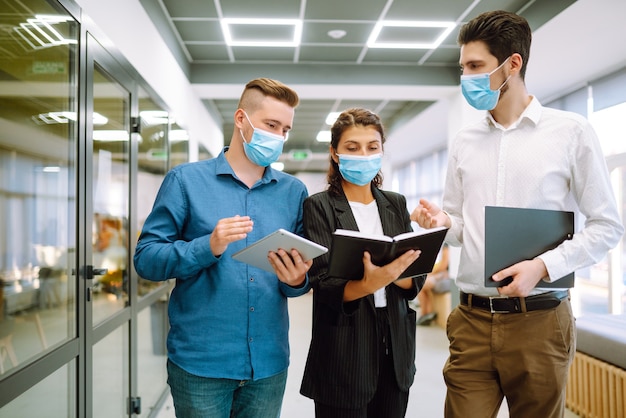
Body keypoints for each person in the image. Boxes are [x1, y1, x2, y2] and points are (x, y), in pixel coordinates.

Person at [411, 10, 624, 418]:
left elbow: (606, 226)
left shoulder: (571, 132)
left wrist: (542, 266)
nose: (466, 78)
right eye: (463, 68)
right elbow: (458, 226)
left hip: (541, 323)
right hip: (471, 319)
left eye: (476, 67)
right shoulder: (464, 142)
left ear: (513, 64)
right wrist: (442, 223)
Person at [134, 78, 313, 418]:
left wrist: (296, 280)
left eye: (285, 129)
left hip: (268, 366)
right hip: (201, 366)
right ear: (241, 119)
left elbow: (300, 278)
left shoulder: (293, 192)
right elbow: (146, 259)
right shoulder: (185, 181)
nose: (278, 136)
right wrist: (208, 246)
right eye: (270, 125)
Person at [300, 108, 424, 418]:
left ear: (382, 150)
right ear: (335, 153)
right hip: (344, 350)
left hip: (395, 346)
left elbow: (415, 279)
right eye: (352, 147)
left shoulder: (395, 203)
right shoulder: (319, 206)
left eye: (372, 147)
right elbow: (322, 282)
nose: (363, 154)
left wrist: (393, 274)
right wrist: (367, 284)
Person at [415, 243, 449, 326]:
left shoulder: (447, 245)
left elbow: (444, 265)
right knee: (421, 285)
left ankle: (425, 314)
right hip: (440, 274)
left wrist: (430, 273)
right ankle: (426, 314)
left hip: (445, 275)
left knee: (421, 285)